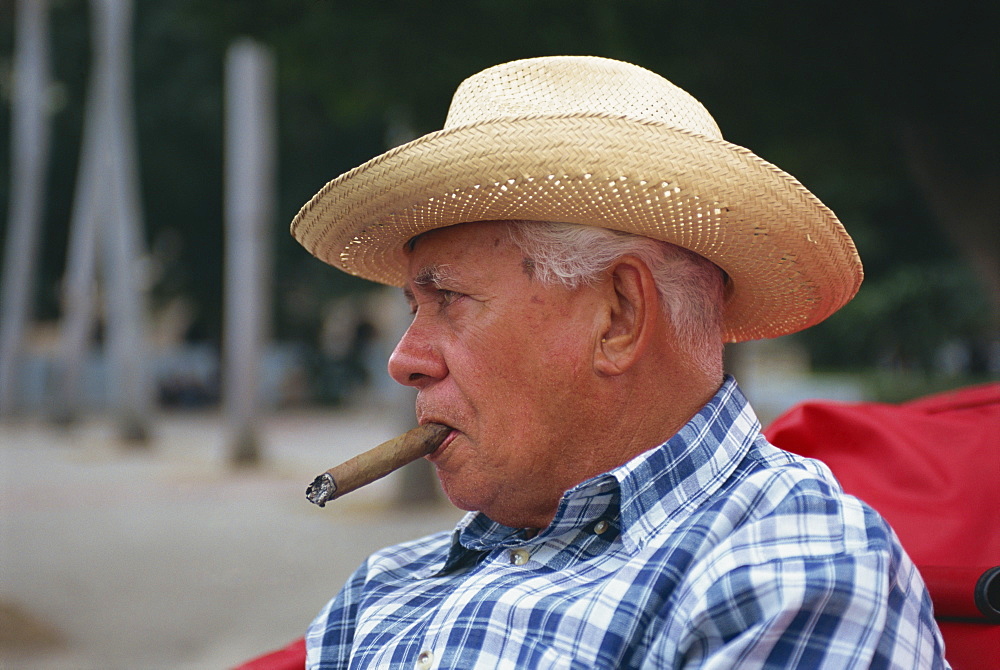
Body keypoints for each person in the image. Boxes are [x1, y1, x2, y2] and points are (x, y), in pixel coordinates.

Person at [290, 56, 948, 669]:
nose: (405, 360)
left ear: (619, 315)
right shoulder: (384, 587)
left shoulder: (792, 573)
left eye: (449, 300)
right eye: (413, 308)